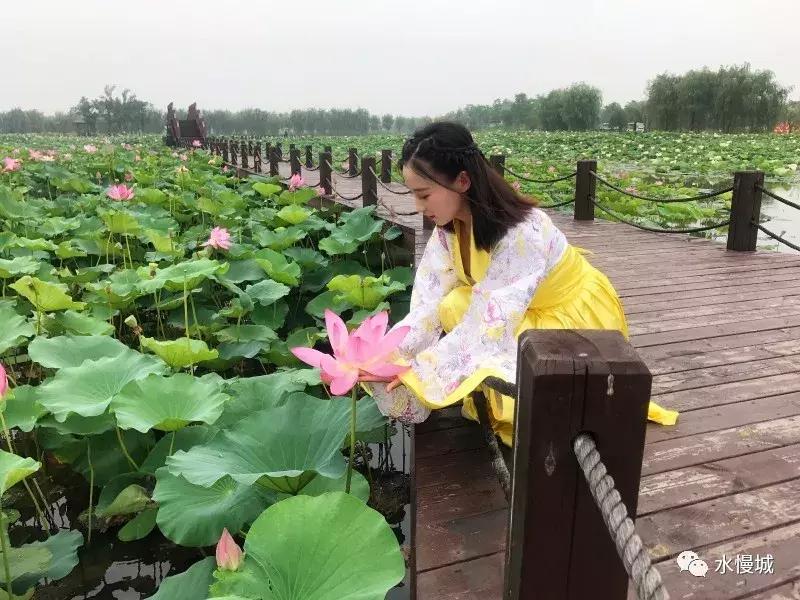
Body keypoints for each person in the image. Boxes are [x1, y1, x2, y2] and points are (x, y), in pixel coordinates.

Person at [367, 121, 678, 446]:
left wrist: (421, 373)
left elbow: (490, 323)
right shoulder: (449, 230)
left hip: (572, 319)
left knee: (465, 308)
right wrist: (388, 357)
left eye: (424, 195)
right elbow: (427, 304)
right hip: (516, 311)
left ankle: (525, 401)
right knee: (452, 304)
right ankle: (493, 394)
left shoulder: (521, 232)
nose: (418, 207)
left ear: (462, 181)